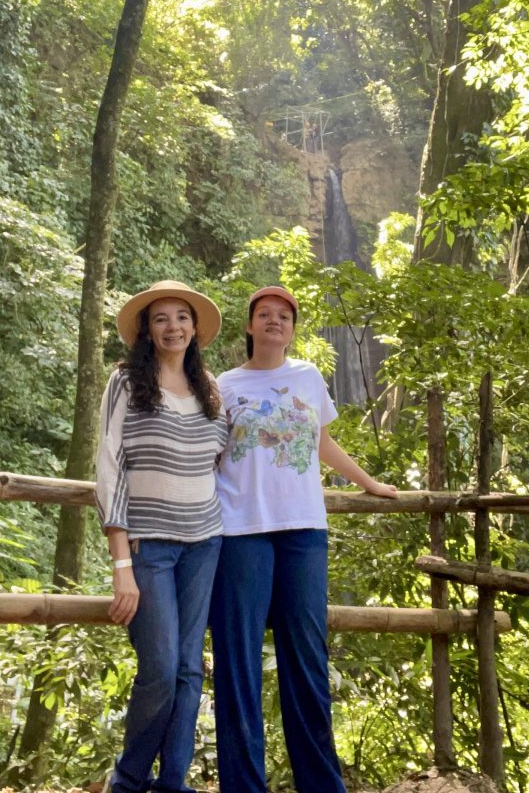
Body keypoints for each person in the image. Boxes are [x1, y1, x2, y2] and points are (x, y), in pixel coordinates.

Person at [209, 285, 398, 793]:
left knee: (307, 659)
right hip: (239, 530)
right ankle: (243, 786)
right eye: (264, 314)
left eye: (284, 316)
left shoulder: (309, 378)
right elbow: (206, 454)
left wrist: (370, 484)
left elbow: (323, 442)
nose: (275, 321)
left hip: (303, 531)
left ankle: (321, 785)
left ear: (293, 329)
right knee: (238, 658)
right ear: (248, 326)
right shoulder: (222, 385)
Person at [95, 280, 227, 793]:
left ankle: (173, 782)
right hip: (149, 548)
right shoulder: (126, 382)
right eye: (161, 319)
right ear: (147, 332)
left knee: (190, 670)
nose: (173, 326)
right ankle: (128, 779)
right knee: (160, 668)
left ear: (195, 329)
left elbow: (221, 463)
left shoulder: (209, 390)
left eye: (182, 317)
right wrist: (121, 565)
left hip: (206, 543)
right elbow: (110, 471)